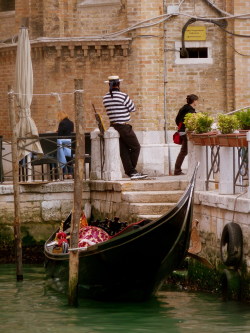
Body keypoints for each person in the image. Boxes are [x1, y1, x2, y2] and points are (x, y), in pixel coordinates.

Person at [103, 75, 147, 180]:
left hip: (113, 126)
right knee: (136, 147)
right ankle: (131, 171)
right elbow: (133, 108)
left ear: (109, 84)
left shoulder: (105, 98)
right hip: (124, 127)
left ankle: (131, 172)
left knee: (125, 151)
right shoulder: (123, 96)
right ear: (118, 84)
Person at [174, 94, 198, 175]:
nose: (197, 102)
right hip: (186, 132)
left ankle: (177, 170)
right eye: (196, 100)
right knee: (184, 151)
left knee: (184, 151)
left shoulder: (183, 109)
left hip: (181, 131)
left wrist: (180, 128)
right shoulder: (190, 111)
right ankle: (177, 170)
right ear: (194, 101)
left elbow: (177, 120)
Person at [56, 110, 74, 179]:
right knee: (69, 158)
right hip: (70, 142)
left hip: (63, 143)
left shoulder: (62, 123)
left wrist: (57, 131)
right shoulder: (71, 123)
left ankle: (64, 173)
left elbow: (60, 134)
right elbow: (70, 132)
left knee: (62, 156)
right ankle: (70, 173)